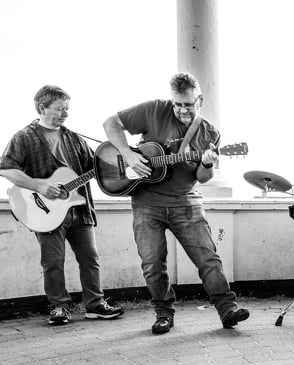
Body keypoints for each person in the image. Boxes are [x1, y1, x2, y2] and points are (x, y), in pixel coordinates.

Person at [102, 72, 249, 334]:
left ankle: (227, 309)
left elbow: (203, 178)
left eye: (188, 105)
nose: (182, 110)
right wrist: (128, 155)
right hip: (147, 203)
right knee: (152, 263)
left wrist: (207, 164)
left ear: (200, 100)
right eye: (177, 104)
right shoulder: (154, 109)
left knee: (208, 258)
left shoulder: (210, 133)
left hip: (186, 202)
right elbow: (110, 123)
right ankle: (163, 314)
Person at [0, 85, 124, 326]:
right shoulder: (24, 137)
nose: (65, 113)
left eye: (67, 108)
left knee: (91, 259)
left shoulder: (74, 138)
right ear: (42, 108)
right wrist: (40, 186)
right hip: (45, 212)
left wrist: (122, 161)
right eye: (59, 109)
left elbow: (95, 168)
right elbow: (6, 169)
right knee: (53, 263)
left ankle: (95, 305)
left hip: (80, 209)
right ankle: (59, 307)